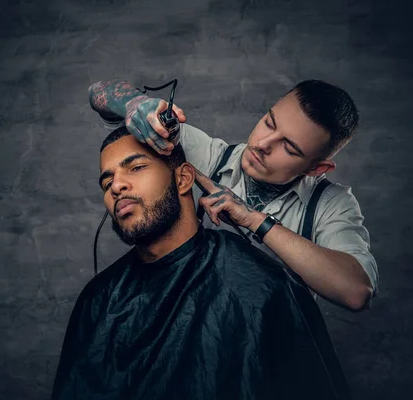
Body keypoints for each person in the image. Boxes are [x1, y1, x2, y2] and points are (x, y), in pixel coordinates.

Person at [51, 126, 352, 400]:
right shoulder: (99, 299)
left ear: (183, 178)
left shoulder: (262, 286)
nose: (116, 186)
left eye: (136, 167)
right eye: (107, 182)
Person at [87, 79, 378, 311]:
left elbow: (355, 293)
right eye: (269, 122)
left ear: (317, 168)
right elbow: (98, 91)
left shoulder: (331, 205)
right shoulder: (204, 154)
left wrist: (255, 221)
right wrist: (136, 104)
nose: (262, 144)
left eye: (288, 148)